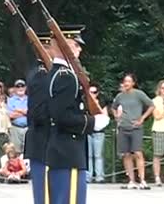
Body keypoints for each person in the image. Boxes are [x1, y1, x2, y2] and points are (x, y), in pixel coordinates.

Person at [45, 25, 110, 204]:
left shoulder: (55, 74)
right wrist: (93, 122)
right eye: (76, 44)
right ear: (64, 46)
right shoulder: (67, 77)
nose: (80, 49)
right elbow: (62, 116)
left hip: (60, 152)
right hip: (68, 153)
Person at [111, 73, 155, 189]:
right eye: (125, 81)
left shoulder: (139, 94)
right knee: (126, 154)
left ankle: (142, 180)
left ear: (133, 83)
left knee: (137, 152)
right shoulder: (120, 96)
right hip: (123, 127)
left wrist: (142, 118)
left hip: (135, 127)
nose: (126, 83)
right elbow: (113, 107)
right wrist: (117, 117)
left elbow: (151, 105)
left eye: (129, 81)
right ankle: (131, 180)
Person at [24, 32, 52, 204]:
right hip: (43, 140)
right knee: (43, 194)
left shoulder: (43, 74)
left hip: (44, 140)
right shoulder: (41, 76)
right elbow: (39, 113)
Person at [87, 84, 107, 183]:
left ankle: (99, 176)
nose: (92, 94)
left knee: (98, 155)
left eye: (94, 92)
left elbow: (105, 116)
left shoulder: (102, 103)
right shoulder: (85, 104)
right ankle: (88, 176)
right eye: (90, 92)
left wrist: (96, 104)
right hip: (88, 131)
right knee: (89, 155)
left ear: (97, 94)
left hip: (99, 132)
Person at [7, 79, 28, 154]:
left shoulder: (30, 99)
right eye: (18, 86)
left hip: (28, 128)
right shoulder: (10, 100)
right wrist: (24, 112)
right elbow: (10, 115)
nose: (20, 88)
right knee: (16, 151)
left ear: (25, 88)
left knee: (28, 150)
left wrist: (18, 110)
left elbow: (31, 113)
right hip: (15, 128)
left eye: (22, 86)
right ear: (15, 89)